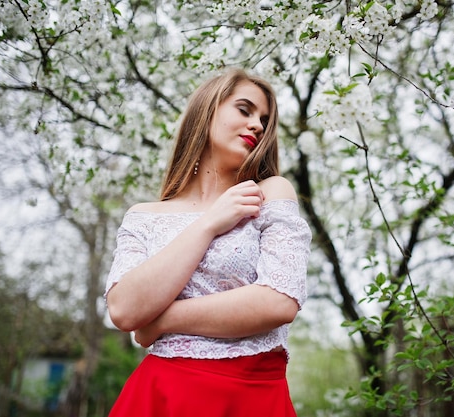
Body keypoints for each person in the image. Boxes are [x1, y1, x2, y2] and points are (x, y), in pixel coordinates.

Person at [104, 68, 312, 417]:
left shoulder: (271, 193)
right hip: (160, 393)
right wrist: (210, 223)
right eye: (244, 110)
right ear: (206, 111)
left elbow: (279, 301)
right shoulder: (144, 216)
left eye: (263, 119)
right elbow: (124, 310)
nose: (258, 125)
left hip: (251, 395)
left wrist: (159, 321)